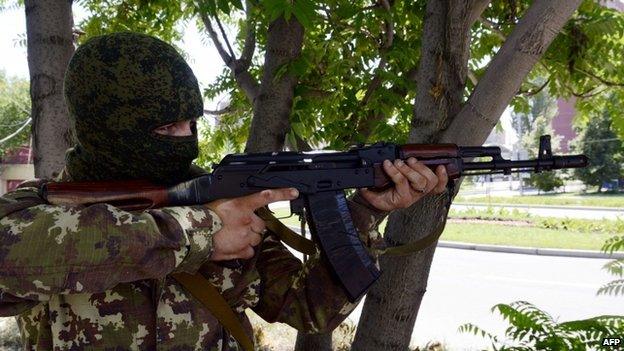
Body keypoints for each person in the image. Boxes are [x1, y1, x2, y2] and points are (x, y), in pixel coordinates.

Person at [0, 32, 448, 350]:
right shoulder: (34, 208)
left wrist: (366, 210)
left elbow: (309, 308)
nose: (185, 138)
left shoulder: (224, 201)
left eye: (191, 123)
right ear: (109, 129)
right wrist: (202, 232)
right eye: (167, 126)